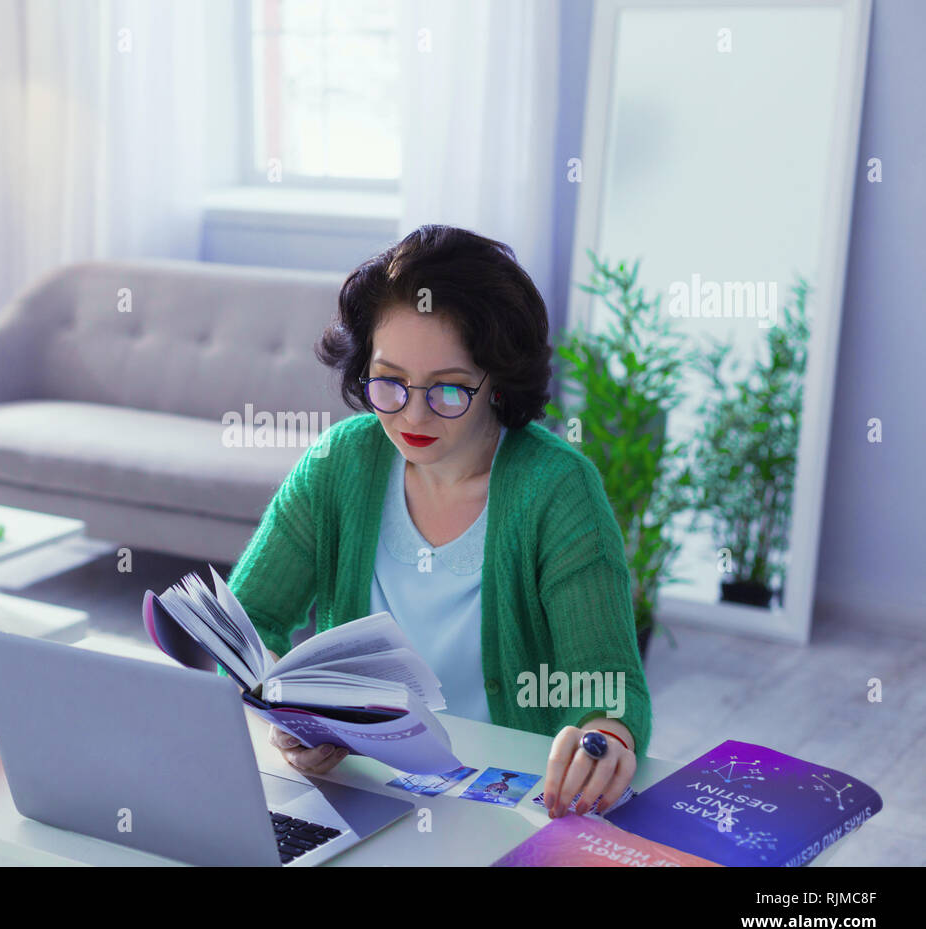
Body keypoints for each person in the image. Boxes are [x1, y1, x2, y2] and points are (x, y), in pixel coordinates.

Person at [226, 224, 651, 819]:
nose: (414, 414)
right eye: (390, 382)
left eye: (449, 389)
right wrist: (290, 715)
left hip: (510, 805)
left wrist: (603, 740)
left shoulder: (557, 490)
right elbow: (246, 622)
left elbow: (607, 687)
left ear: (497, 380)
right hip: (364, 793)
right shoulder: (338, 462)